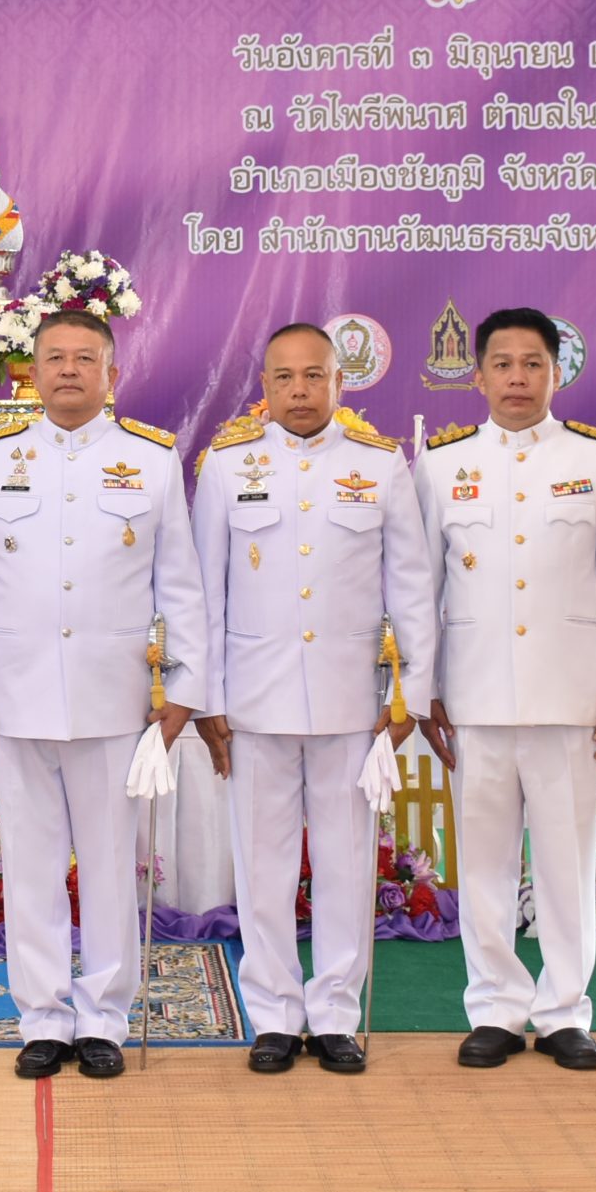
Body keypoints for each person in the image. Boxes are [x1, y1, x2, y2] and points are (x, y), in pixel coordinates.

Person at [0, 309, 207, 1081]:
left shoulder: (150, 461)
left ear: (111, 375)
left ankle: (104, 1020)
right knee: (29, 866)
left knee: (111, 864)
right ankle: (44, 1018)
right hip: (16, 696)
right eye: (53, 357)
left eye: (84, 359)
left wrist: (182, 688)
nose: (67, 370)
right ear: (30, 372)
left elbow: (179, 588)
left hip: (115, 700)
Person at [192, 323, 437, 1075]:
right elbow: (205, 593)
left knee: (346, 864)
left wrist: (408, 697)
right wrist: (207, 700)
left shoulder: (380, 464)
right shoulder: (227, 466)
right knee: (262, 869)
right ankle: (273, 1015)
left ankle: (334, 1014)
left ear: (339, 383)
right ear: (264, 385)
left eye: (314, 376)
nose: (299, 391)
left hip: (351, 702)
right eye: (284, 377)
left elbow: (412, 587)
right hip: (254, 702)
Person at [414, 308, 596, 1072]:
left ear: (556, 372)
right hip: (473, 696)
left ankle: (564, 1011)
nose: (518, 378)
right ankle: (494, 1008)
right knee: (482, 863)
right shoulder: (441, 465)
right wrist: (424, 687)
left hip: (569, 697)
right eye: (503, 364)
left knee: (566, 864)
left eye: (533, 363)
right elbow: (420, 589)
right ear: (478, 376)